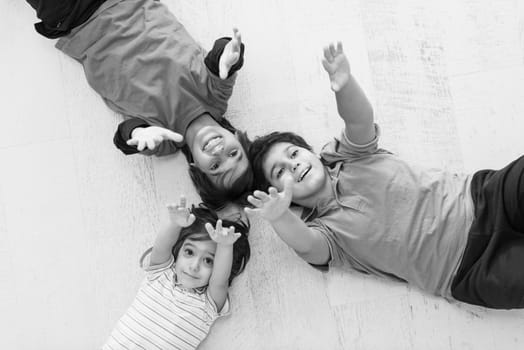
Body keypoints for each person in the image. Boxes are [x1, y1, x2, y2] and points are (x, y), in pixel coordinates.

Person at [246, 42, 524, 309]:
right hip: (469, 269)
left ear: (310, 152)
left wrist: (344, 85)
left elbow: (359, 120)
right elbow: (306, 245)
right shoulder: (327, 233)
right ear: (280, 193)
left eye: (293, 153)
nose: (292, 165)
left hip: (485, 197)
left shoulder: (348, 157)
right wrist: (279, 217)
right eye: (279, 171)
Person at [25, 0, 253, 209]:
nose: (219, 152)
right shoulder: (216, 94)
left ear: (196, 167)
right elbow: (222, 58)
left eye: (215, 167)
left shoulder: (163, 141)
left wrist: (137, 133)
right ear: (238, 137)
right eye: (234, 153)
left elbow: (125, 137)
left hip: (76, 19)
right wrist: (229, 53)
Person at [102, 196, 250, 349]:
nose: (194, 266)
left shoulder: (208, 305)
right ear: (178, 250)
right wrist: (175, 224)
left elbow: (220, 280)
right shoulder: (160, 275)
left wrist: (225, 247)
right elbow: (161, 247)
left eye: (208, 261)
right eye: (189, 252)